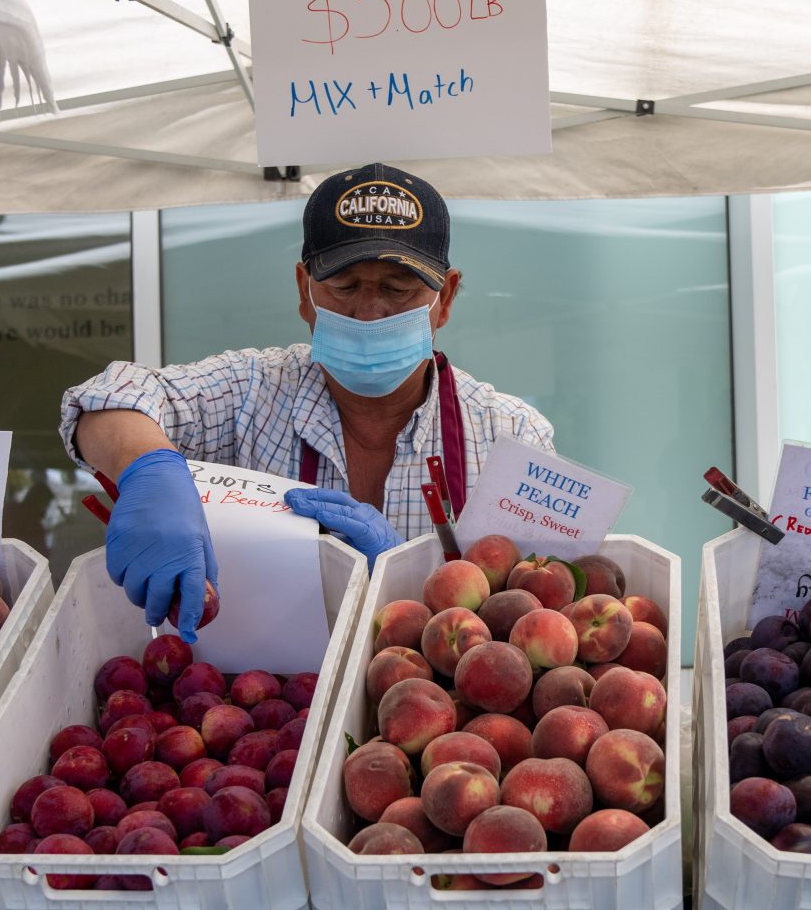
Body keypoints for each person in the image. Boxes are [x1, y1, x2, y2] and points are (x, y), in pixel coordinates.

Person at [61, 162, 555, 639]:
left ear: (444, 299)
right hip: (271, 698)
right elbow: (107, 397)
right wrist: (150, 471)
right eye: (343, 286)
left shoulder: (511, 438)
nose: (368, 310)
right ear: (304, 291)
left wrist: (406, 575)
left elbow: (543, 616)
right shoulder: (250, 392)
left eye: (398, 288)